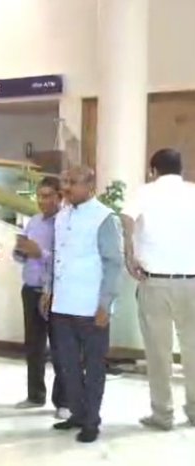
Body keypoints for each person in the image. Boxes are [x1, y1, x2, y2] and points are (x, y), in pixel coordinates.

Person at [42, 165, 123, 443]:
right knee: (66, 365)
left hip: (91, 307)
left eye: (73, 182)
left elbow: (114, 263)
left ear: (90, 185)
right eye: (65, 181)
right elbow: (57, 257)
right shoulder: (62, 216)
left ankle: (91, 421)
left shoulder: (104, 217)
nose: (66, 187)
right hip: (62, 304)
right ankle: (77, 413)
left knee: (94, 367)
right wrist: (48, 290)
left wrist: (105, 304)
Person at [121, 148, 195, 431]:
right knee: (193, 350)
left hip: (156, 282)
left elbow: (126, 218)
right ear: (181, 169)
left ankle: (163, 414)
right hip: (192, 282)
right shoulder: (192, 192)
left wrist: (129, 254)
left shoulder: (144, 192)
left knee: (158, 352)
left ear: (153, 171)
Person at [13, 176, 69, 420]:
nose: (42, 201)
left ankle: (63, 402)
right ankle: (35, 395)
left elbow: (64, 259)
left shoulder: (65, 223)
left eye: (47, 196)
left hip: (56, 292)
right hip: (30, 289)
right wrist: (20, 251)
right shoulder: (34, 221)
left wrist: (40, 253)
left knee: (59, 348)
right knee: (33, 346)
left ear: (60, 197)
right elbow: (21, 255)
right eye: (39, 196)